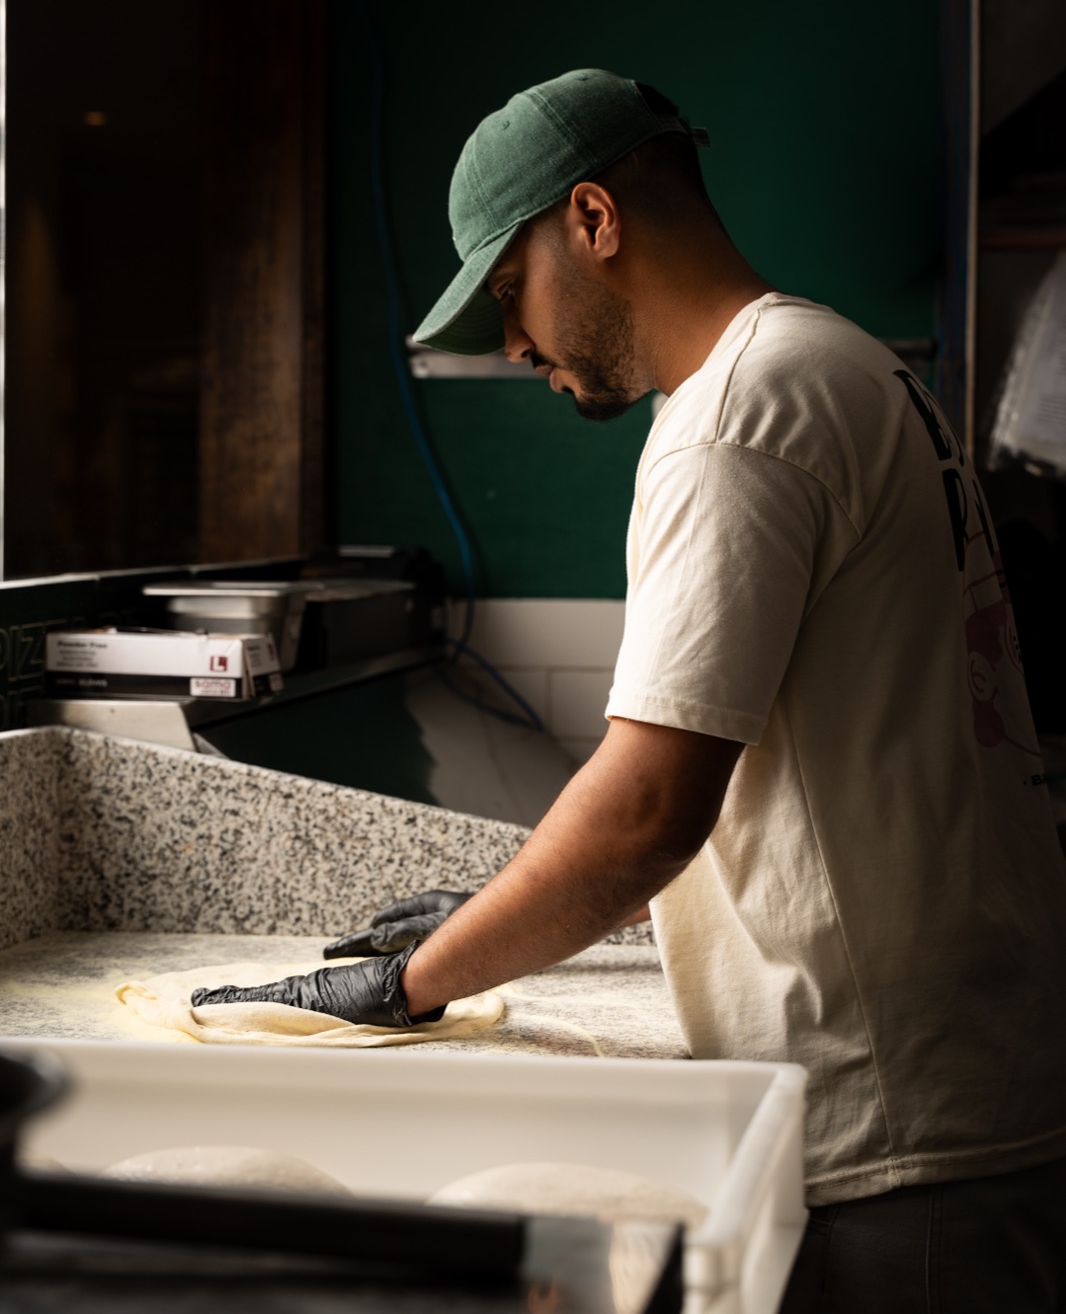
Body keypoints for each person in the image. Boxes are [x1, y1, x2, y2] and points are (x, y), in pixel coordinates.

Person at [196, 68, 1066, 1311]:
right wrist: (511, 909)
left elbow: (651, 807)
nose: (512, 345)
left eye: (509, 290)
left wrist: (414, 979)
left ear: (594, 219)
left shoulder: (736, 419)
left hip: (898, 1124)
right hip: (973, 1071)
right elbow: (821, 765)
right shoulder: (841, 360)